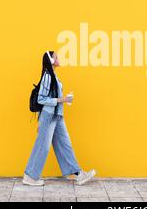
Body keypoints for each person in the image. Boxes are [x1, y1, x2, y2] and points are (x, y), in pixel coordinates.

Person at [23, 50, 96, 186]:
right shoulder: (47, 76)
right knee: (43, 146)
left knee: (65, 145)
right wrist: (61, 99)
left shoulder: (53, 75)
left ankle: (79, 174)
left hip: (57, 116)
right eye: (56, 57)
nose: (59, 58)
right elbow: (41, 99)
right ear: (51, 60)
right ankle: (30, 176)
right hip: (49, 116)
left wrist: (63, 100)